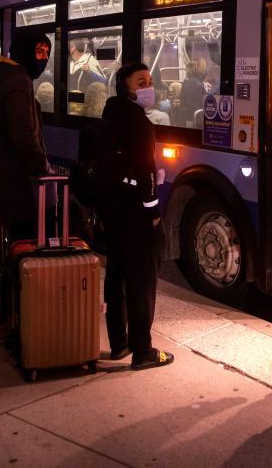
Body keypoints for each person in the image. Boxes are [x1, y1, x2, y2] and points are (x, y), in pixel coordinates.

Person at [97, 62, 174, 370]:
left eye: (150, 81)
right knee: (142, 281)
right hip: (135, 214)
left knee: (116, 273)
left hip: (113, 210)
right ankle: (143, 351)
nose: (148, 87)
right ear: (125, 88)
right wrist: (153, 211)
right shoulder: (139, 122)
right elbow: (145, 171)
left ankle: (119, 343)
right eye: (141, 82)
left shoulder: (110, 114)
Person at [0, 30, 53, 344]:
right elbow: (24, 136)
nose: (44, 58)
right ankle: (19, 326)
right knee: (25, 255)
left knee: (15, 252)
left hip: (7, 181)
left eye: (47, 52)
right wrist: (43, 167)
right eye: (39, 51)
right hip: (23, 185)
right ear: (24, 51)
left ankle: (8, 322)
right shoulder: (18, 82)